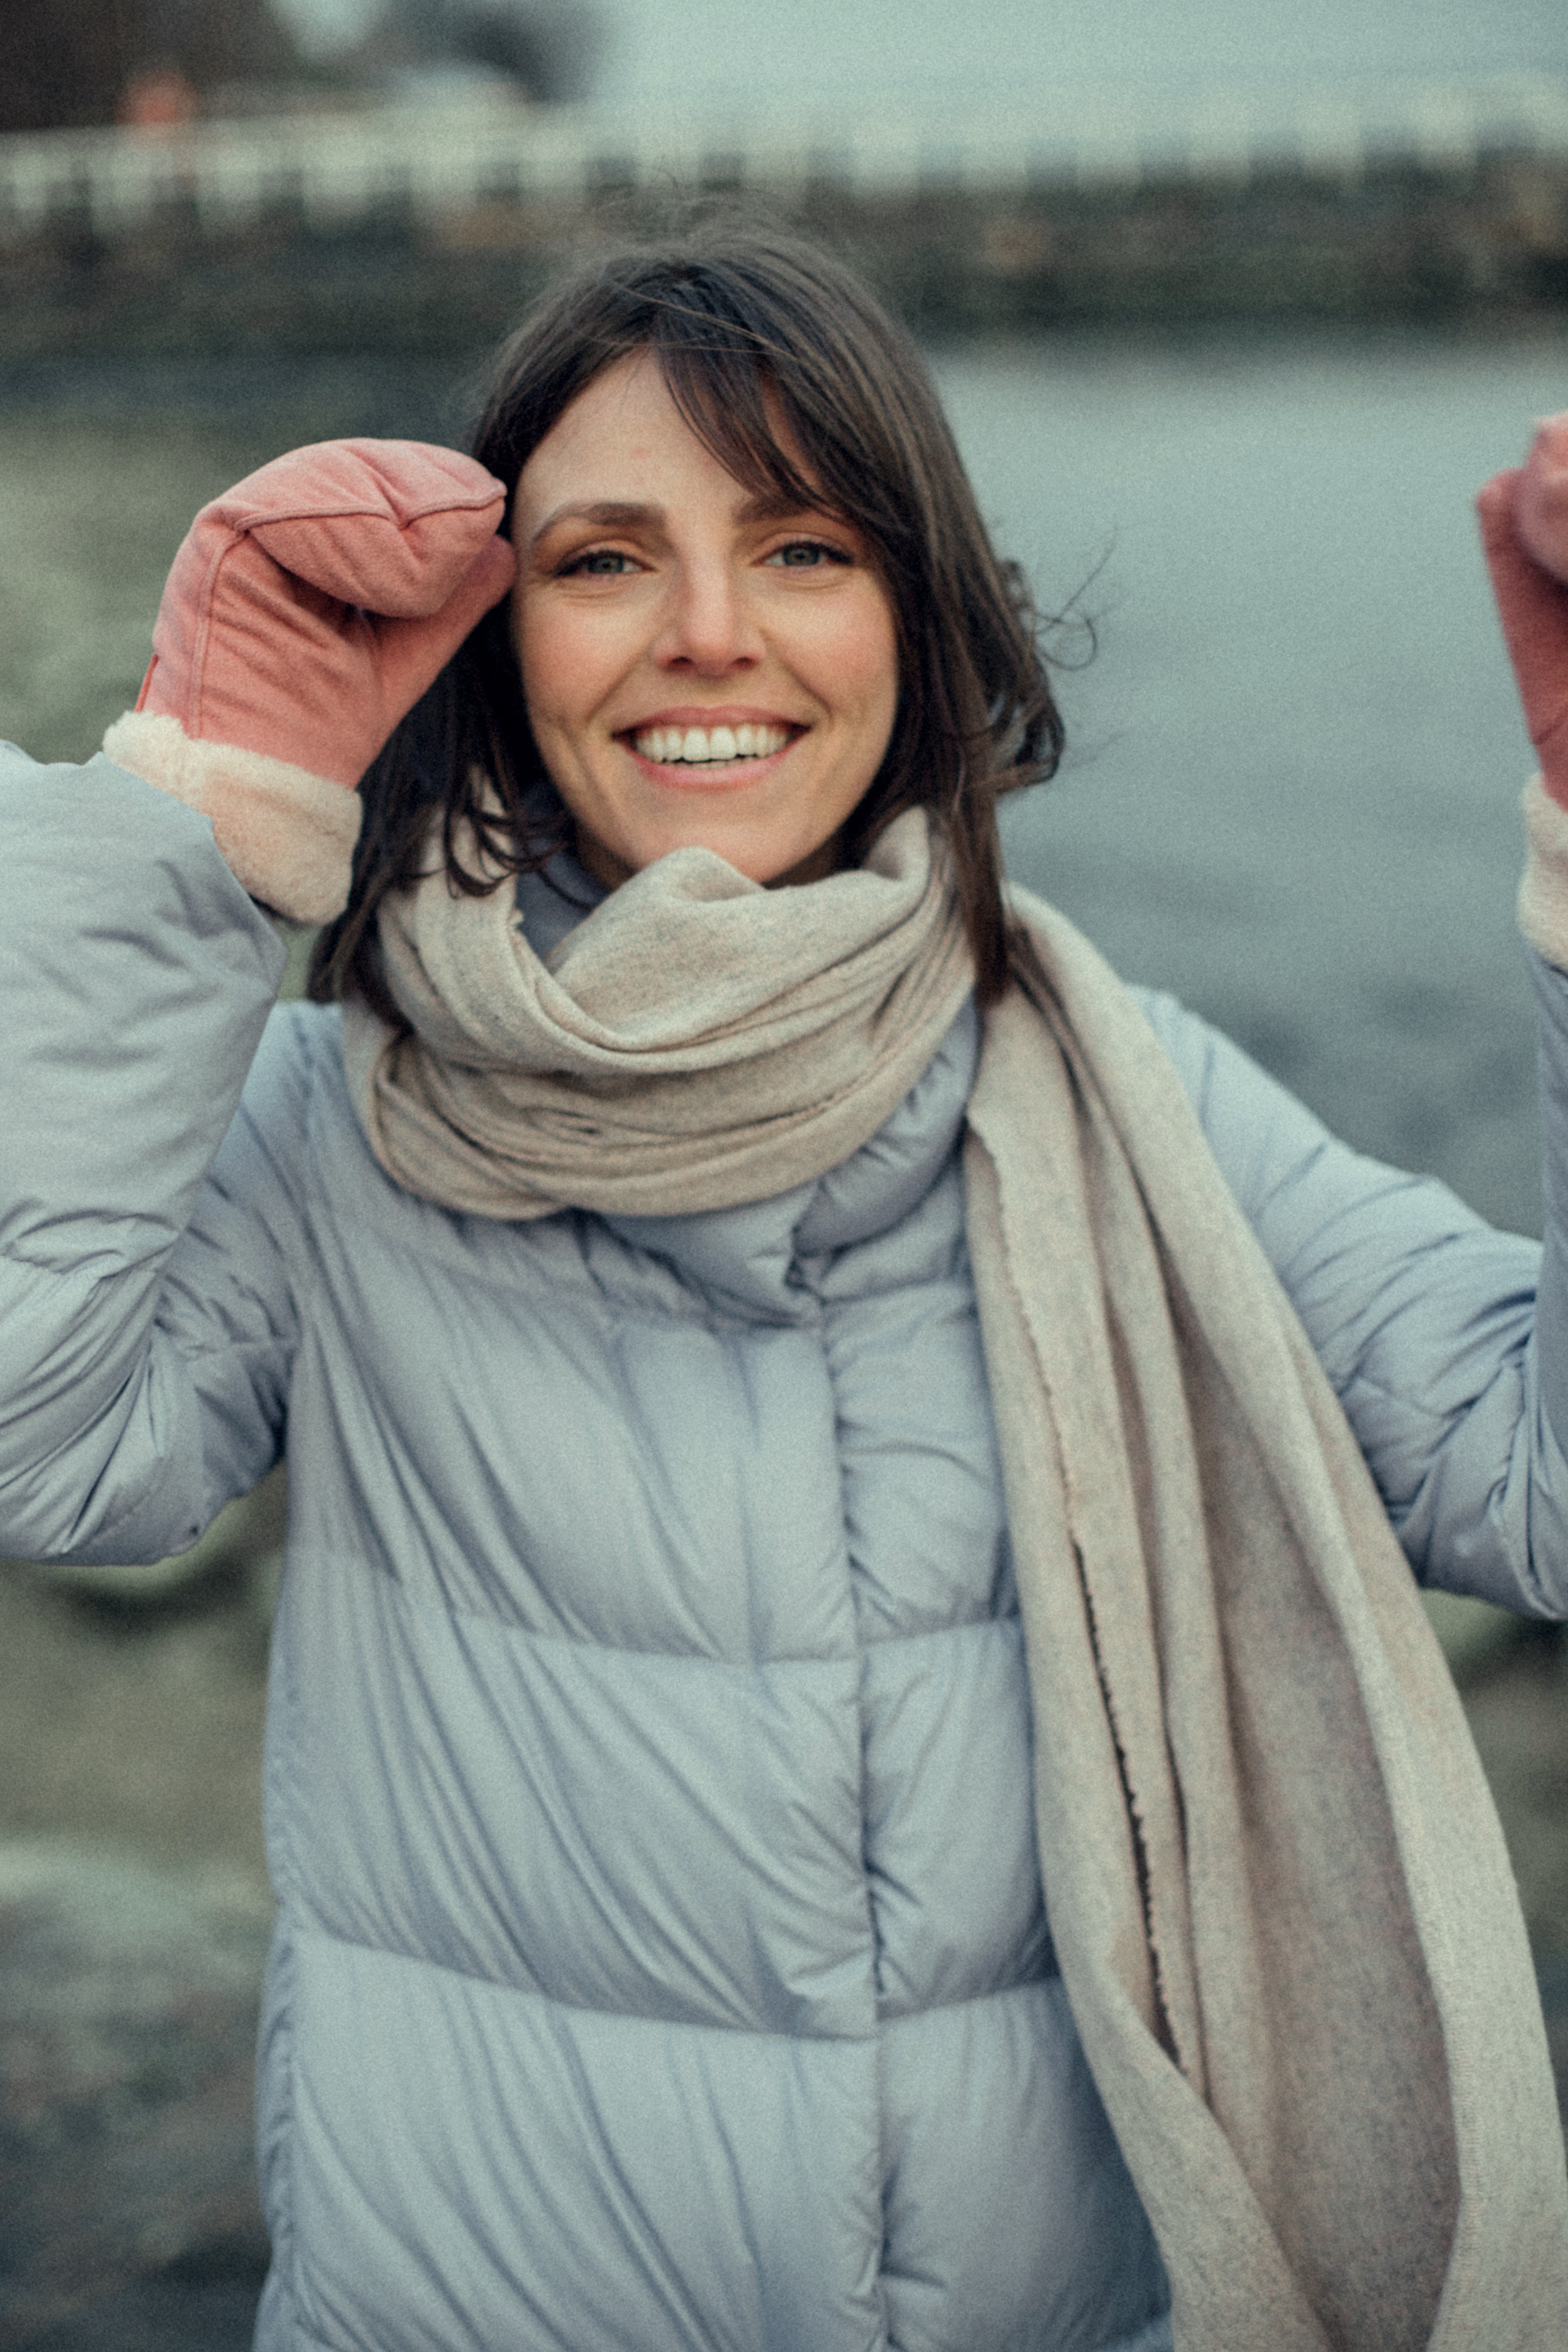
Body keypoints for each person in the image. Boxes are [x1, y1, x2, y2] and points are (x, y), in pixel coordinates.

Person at [2, 227, 1567, 2352]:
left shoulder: (1140, 1105)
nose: (710, 637)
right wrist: (194, 823)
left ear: (919, 623)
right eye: (606, 562)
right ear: (499, 633)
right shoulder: (330, 1132)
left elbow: (1540, 1481)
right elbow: (40, 1445)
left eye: (806, 547)